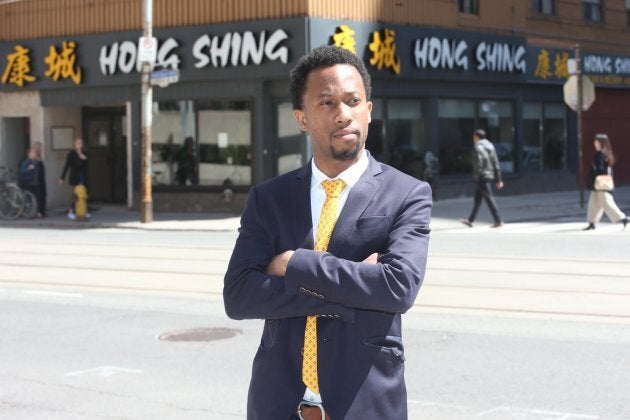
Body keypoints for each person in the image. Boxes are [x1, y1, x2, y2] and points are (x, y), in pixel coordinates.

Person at [223, 45, 432, 420]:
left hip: (365, 403)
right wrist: (353, 289)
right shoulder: (269, 198)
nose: (343, 114)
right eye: (327, 103)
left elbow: (398, 288)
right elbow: (238, 297)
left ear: (369, 109)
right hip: (278, 404)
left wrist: (293, 263)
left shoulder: (407, 194)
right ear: (302, 118)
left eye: (353, 101)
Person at [459, 128, 504, 228]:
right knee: (478, 199)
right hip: (489, 174)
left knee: (489, 198)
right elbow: (495, 162)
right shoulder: (491, 146)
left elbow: (478, 162)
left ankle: (498, 220)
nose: (473, 139)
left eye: (474, 137)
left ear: (476, 137)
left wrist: (477, 174)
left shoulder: (477, 146)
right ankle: (470, 220)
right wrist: (498, 179)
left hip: (482, 176)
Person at [583, 133, 628, 230]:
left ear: (601, 143)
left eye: (596, 141)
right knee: (593, 203)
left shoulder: (600, 154)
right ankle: (592, 222)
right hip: (601, 183)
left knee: (607, 202)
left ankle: (622, 218)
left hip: (600, 184)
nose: (594, 143)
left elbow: (600, 168)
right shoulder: (606, 152)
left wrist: (594, 169)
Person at [59, 138, 88, 220]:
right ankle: (71, 212)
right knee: (76, 195)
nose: (79, 145)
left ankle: (82, 211)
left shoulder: (84, 153)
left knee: (83, 194)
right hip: (74, 176)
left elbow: (85, 160)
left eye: (81, 143)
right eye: (78, 143)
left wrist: (80, 154)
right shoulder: (71, 154)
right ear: (74, 145)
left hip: (82, 176)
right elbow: (66, 166)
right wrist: (62, 178)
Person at [18, 147, 44, 217]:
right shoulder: (27, 161)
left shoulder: (35, 161)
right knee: (31, 198)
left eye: (35, 153)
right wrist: (28, 168)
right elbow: (22, 171)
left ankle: (36, 212)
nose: (35, 154)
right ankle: (30, 212)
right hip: (30, 183)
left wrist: (39, 160)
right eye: (33, 153)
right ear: (29, 154)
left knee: (37, 198)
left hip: (35, 182)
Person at [32, 141, 47, 217]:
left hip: (41, 179)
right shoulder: (35, 156)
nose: (41, 148)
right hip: (37, 180)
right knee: (38, 196)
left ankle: (42, 211)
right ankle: (38, 212)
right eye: (40, 147)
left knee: (43, 195)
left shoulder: (40, 156)